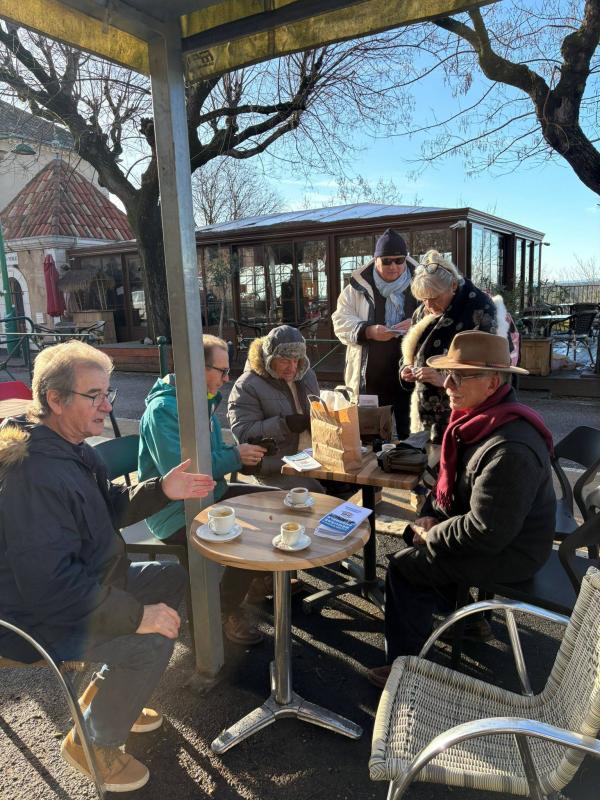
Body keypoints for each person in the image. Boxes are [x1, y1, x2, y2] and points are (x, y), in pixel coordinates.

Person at [0, 341, 215, 791]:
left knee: (171, 576)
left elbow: (107, 505)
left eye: (107, 393)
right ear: (55, 399)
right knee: (151, 638)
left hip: (82, 584)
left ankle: (111, 699)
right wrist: (136, 616)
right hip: (34, 619)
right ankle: (93, 744)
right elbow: (50, 586)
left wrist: (163, 489)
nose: (108, 406)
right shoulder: (33, 476)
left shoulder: (71, 446)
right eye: (94, 395)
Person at [368, 331, 556, 689]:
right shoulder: (480, 419)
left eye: (461, 376)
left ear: (493, 382)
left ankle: (407, 671)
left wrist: (433, 533)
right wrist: (431, 514)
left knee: (404, 568)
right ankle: (466, 619)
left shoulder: (510, 447)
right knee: (413, 536)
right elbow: (452, 486)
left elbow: (486, 532)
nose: (448, 384)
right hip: (496, 532)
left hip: (514, 550)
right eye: (448, 374)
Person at [138, 334, 270, 645]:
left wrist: (241, 455)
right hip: (173, 511)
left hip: (207, 495)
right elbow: (184, 473)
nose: (227, 378)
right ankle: (222, 610)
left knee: (267, 505)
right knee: (246, 536)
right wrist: (235, 456)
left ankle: (249, 579)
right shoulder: (163, 410)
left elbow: (211, 454)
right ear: (195, 370)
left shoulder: (201, 400)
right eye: (222, 371)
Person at [400, 250, 504, 442]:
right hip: (424, 412)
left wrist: (443, 379)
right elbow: (410, 352)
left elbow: (489, 368)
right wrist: (406, 368)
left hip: (463, 412)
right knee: (426, 457)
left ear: (453, 285)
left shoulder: (481, 308)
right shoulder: (423, 310)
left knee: (458, 457)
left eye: (434, 298)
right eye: (423, 299)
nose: (428, 305)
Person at [332, 228, 418, 438]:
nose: (393, 266)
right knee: (370, 440)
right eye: (387, 261)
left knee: (414, 439)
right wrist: (368, 331)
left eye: (399, 260)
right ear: (375, 259)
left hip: (411, 376)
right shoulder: (356, 287)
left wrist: (416, 324)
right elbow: (339, 321)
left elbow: (439, 316)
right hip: (370, 379)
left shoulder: (422, 284)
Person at [227, 325, 324, 493]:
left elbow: (317, 409)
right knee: (316, 496)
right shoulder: (247, 385)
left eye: (296, 360)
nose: (292, 368)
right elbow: (243, 433)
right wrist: (284, 424)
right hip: (275, 465)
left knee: (350, 484)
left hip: (313, 456)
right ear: (269, 359)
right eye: (285, 360)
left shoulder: (307, 375)